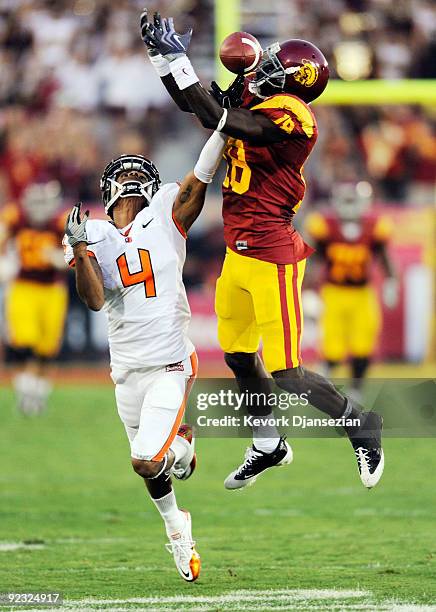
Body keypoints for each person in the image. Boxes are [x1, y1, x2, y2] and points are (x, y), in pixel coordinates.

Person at [141, 11, 385, 490]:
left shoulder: (295, 114)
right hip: (238, 251)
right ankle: (268, 442)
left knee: (288, 372)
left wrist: (180, 61)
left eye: (277, 63)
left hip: (272, 254)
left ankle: (361, 424)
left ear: (294, 79)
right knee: (236, 356)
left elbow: (218, 117)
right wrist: (163, 61)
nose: (265, 66)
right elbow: (199, 105)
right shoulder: (260, 94)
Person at [63, 133, 226, 582]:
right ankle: (179, 485)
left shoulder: (165, 215)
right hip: (126, 373)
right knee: (154, 461)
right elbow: (94, 300)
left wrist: (224, 128)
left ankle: (176, 520)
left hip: (170, 364)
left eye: (140, 171)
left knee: (143, 459)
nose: (133, 176)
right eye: (125, 171)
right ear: (108, 188)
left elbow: (201, 178)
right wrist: (78, 248)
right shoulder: (92, 232)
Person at [305, 182, 398, 403]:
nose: (349, 206)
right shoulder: (325, 224)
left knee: (363, 343)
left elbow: (385, 256)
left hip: (362, 293)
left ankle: (356, 390)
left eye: (353, 201)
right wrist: (307, 290)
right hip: (333, 292)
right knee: (331, 346)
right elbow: (313, 260)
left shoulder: (374, 225)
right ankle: (323, 388)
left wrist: (391, 281)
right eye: (345, 201)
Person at [0, 181, 67, 414]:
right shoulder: (15, 216)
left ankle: (37, 393)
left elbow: (76, 252)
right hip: (23, 286)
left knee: (47, 349)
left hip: (52, 289)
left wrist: (62, 257)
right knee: (23, 343)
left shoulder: (60, 222)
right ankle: (25, 391)